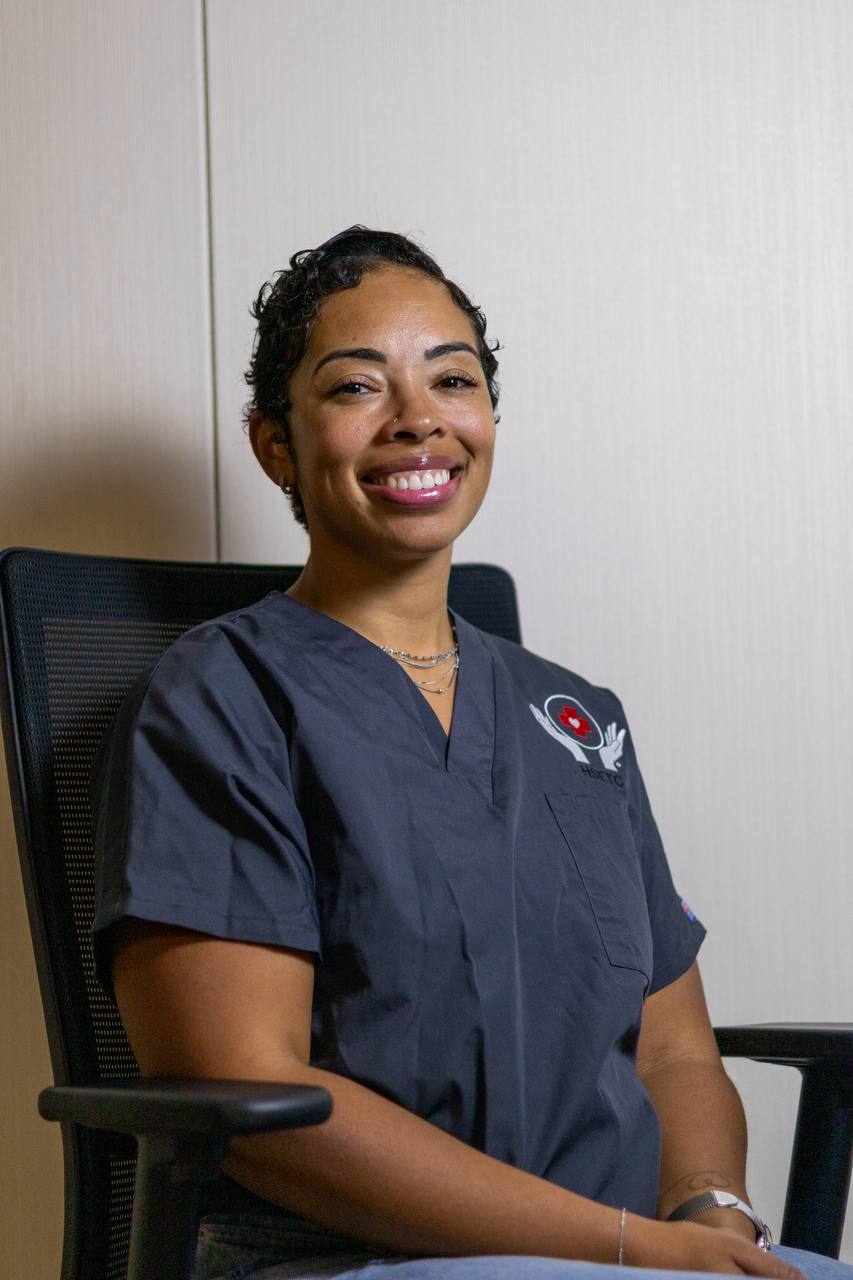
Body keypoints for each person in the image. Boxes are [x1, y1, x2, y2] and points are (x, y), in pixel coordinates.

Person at [90, 228, 847, 1280]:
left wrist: (713, 1215)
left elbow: (674, 1048)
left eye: (452, 378)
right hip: (353, 1258)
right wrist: (632, 1247)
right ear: (275, 445)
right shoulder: (222, 698)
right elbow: (245, 1086)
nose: (418, 417)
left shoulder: (573, 717)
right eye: (357, 385)